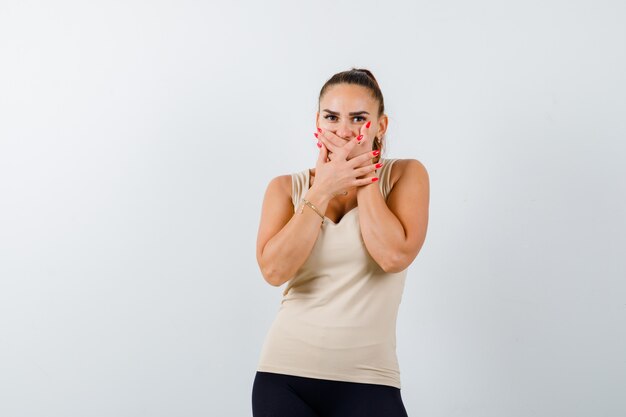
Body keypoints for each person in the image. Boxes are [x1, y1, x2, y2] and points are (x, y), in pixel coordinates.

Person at [251, 68, 430, 417]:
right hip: (283, 377)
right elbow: (274, 270)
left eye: (359, 118)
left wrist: (362, 175)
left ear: (381, 126)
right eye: (332, 117)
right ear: (317, 122)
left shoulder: (406, 176)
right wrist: (323, 188)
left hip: (370, 380)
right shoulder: (285, 188)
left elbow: (393, 256)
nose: (344, 131)